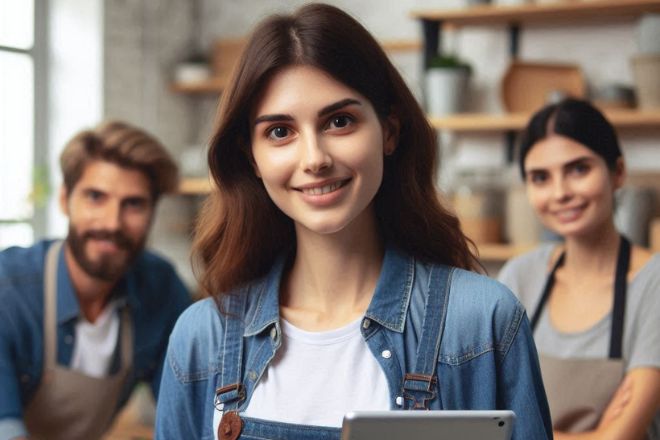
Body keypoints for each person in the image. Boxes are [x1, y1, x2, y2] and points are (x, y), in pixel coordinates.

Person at [155, 4, 551, 440]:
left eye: (339, 121)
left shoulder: (482, 322)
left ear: (389, 131)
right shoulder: (201, 339)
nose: (315, 159)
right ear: (252, 156)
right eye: (280, 132)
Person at [0, 121, 192, 440]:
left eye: (133, 204)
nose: (112, 222)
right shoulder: (8, 291)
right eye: (95, 197)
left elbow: (187, 415)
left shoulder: (161, 289)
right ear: (65, 200)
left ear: (152, 212)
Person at [498, 98, 660, 439]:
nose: (560, 193)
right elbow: (486, 414)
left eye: (578, 169)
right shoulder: (520, 277)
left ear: (617, 172)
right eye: (540, 178)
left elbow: (620, 437)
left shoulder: (653, 283)